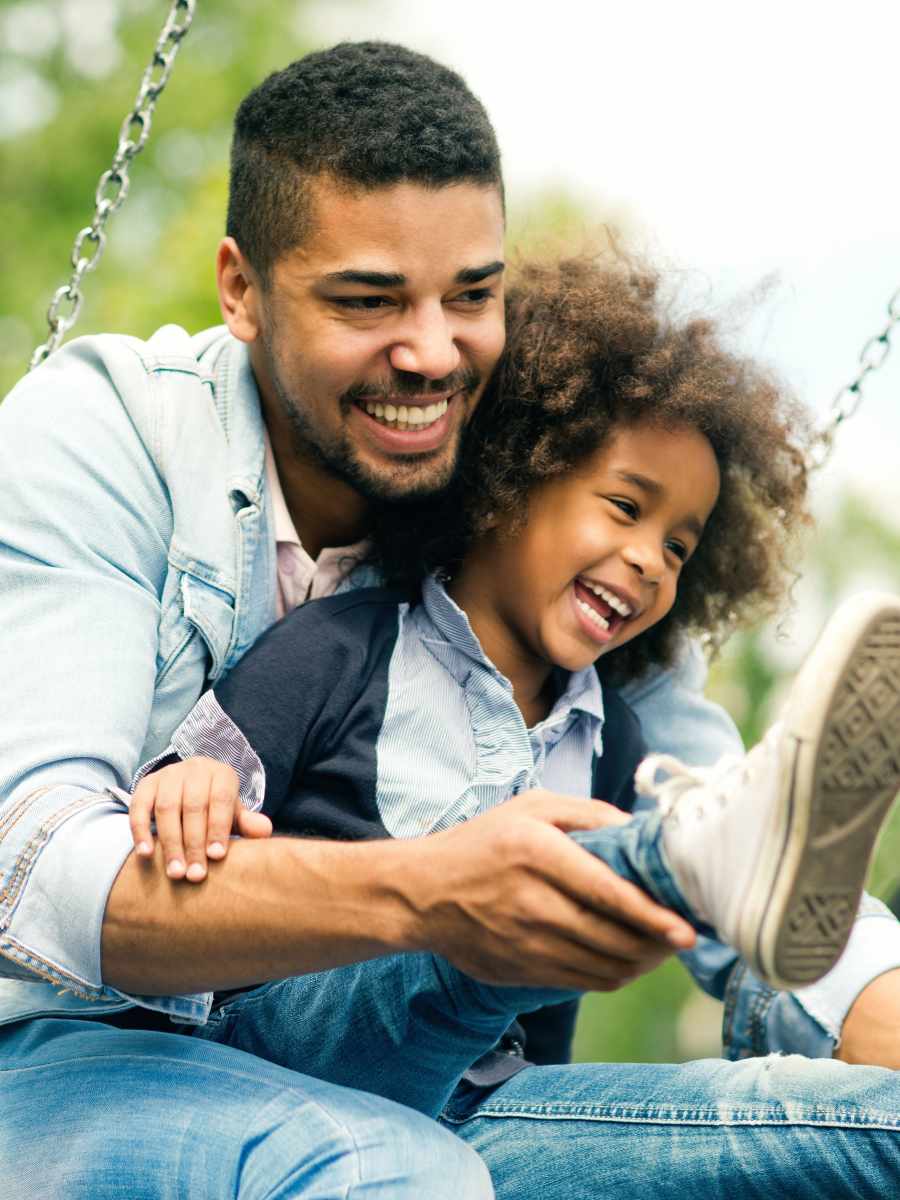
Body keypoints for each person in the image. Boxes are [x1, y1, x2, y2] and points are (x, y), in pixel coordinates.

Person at [0, 41, 898, 1200]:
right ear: (242, 289)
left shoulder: (521, 501)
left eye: (472, 296)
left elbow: (750, 856)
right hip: (78, 1054)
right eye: (368, 301)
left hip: (457, 1095)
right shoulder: (104, 435)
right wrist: (437, 889)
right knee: (408, 1163)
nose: (433, 355)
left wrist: (851, 983)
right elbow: (32, 874)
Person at [123, 254, 900, 1124]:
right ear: (517, 475)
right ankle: (696, 857)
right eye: (624, 506)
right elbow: (180, 793)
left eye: (680, 548)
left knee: (851, 1125)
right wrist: (193, 781)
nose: (651, 558)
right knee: (488, 904)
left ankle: (714, 871)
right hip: (289, 1070)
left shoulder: (618, 750)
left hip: (493, 1123)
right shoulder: (348, 645)